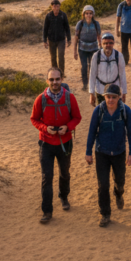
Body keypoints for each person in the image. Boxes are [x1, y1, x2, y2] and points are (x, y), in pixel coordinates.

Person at [31, 69, 82, 224]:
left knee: (64, 173)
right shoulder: (41, 99)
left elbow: (77, 117)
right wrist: (45, 128)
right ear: (47, 81)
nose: (55, 82)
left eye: (57, 79)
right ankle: (47, 211)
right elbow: (34, 119)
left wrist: (68, 127)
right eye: (51, 79)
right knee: (47, 177)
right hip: (46, 144)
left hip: (65, 144)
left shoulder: (69, 97)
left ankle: (64, 196)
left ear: (62, 79)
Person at [85, 84, 131, 228]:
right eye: (108, 97)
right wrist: (88, 152)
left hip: (119, 152)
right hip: (102, 152)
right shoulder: (99, 111)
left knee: (120, 181)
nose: (111, 100)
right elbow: (92, 132)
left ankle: (118, 193)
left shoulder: (125, 111)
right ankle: (105, 214)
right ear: (104, 96)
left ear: (119, 97)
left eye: (114, 97)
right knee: (103, 185)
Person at [89, 33, 127, 106]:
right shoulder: (96, 56)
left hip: (115, 91)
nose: (108, 45)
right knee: (100, 114)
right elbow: (92, 75)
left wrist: (124, 93)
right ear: (101, 44)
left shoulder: (118, 56)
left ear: (113, 43)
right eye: (105, 43)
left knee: (115, 114)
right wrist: (91, 93)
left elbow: (122, 75)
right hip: (100, 91)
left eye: (110, 43)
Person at [73, 6, 101, 91]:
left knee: (93, 67)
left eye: (90, 13)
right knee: (84, 66)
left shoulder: (96, 24)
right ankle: (85, 84)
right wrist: (75, 51)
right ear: (84, 14)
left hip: (94, 49)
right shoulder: (80, 24)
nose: (88, 15)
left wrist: (101, 48)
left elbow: (99, 37)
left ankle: (92, 84)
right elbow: (76, 37)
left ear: (93, 14)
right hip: (82, 49)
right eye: (87, 13)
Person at [42, 0, 71, 77]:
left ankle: (61, 73)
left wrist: (69, 39)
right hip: (51, 40)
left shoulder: (63, 15)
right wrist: (44, 40)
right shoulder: (48, 16)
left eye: (57, 6)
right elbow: (45, 28)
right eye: (54, 6)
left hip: (61, 39)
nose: (56, 8)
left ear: (59, 6)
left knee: (61, 56)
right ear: (52, 7)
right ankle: (55, 74)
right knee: (53, 57)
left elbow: (67, 27)